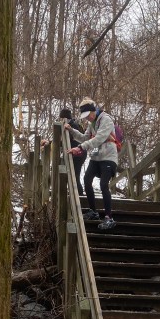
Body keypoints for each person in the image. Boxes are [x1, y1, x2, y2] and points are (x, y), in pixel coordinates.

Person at [65, 97, 118, 231]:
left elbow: (99, 138)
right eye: (85, 116)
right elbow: (84, 138)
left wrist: (80, 148)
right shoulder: (92, 123)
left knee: (103, 184)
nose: (87, 118)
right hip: (96, 157)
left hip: (108, 156)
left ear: (93, 111)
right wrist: (71, 130)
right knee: (86, 179)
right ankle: (93, 211)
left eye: (88, 115)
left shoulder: (106, 120)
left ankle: (109, 217)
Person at [42, 108, 87, 198]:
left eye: (61, 118)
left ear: (64, 118)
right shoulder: (70, 125)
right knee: (73, 174)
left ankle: (79, 196)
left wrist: (50, 143)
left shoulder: (73, 126)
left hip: (78, 153)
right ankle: (76, 194)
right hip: (76, 153)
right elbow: (63, 142)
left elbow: (65, 142)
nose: (61, 120)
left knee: (74, 175)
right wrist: (50, 142)